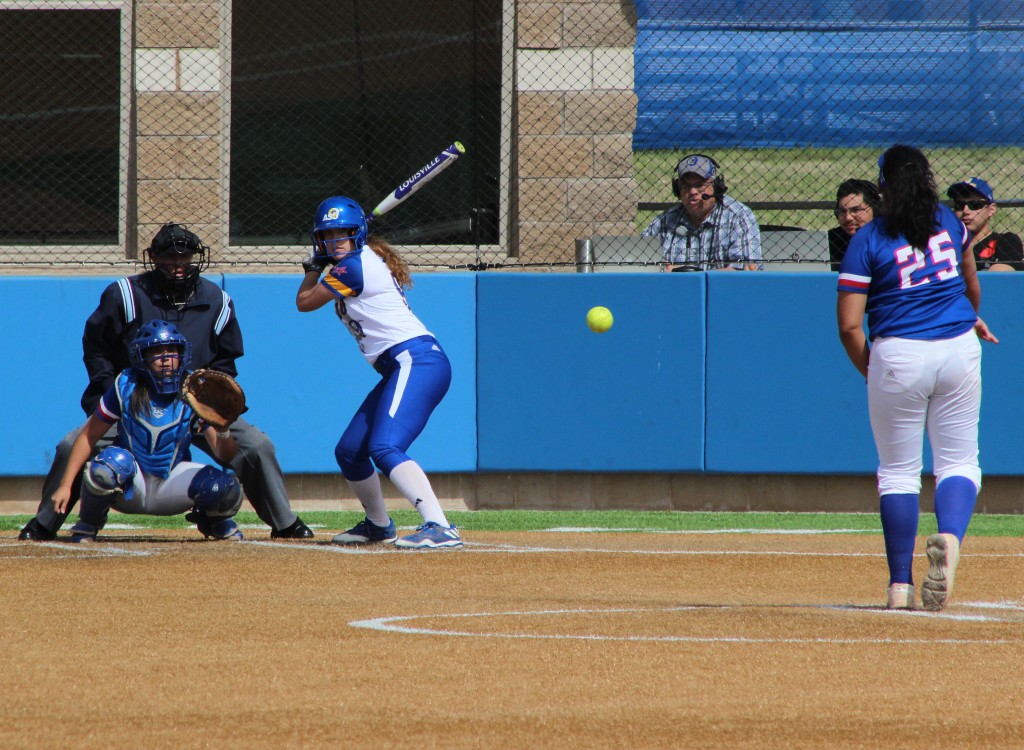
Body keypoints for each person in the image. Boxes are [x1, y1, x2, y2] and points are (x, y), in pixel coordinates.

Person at [19, 223, 313, 541]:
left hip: (192, 405)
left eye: (184, 258)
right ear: (154, 259)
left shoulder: (217, 300)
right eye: (169, 258)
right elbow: (96, 348)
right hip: (133, 401)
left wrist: (215, 402)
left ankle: (283, 522)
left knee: (257, 446)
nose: (178, 265)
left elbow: (226, 359)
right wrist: (110, 394)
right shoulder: (126, 294)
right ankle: (46, 521)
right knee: (71, 445)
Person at [836, 145, 998, 612]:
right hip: (959, 347)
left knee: (898, 473)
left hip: (899, 352)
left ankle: (899, 586)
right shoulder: (949, 220)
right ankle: (950, 537)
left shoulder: (868, 239)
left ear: (881, 188)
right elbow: (969, 284)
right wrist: (967, 319)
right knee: (960, 462)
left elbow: (849, 326)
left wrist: (873, 370)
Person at [295, 196, 462, 549]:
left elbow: (304, 302)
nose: (335, 241)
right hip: (399, 365)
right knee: (350, 451)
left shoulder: (353, 268)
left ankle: (440, 525)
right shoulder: (355, 261)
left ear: (358, 234)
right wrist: (322, 262)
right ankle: (378, 525)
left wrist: (312, 267)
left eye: (343, 233)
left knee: (385, 446)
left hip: (417, 360)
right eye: (328, 235)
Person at [53, 320, 244, 542]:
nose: (166, 358)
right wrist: (65, 486)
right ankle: (89, 522)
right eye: (157, 351)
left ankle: (213, 521)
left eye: (172, 350)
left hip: (172, 482)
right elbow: (89, 436)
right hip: (132, 483)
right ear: (141, 356)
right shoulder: (125, 385)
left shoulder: (195, 389)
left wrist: (223, 430)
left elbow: (225, 455)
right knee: (109, 464)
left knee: (224, 486)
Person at [641, 153, 761, 271]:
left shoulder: (738, 216)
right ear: (678, 190)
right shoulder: (664, 221)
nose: (693, 191)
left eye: (699, 185)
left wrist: (684, 275)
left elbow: (744, 272)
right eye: (686, 186)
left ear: (716, 186)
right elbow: (641, 262)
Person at [946, 177, 1023, 272]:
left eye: (974, 204)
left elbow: (1002, 273)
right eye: (959, 205)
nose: (965, 211)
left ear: (991, 209)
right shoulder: (947, 244)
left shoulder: (1005, 241)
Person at [828, 179, 881, 271]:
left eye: (856, 210)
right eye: (842, 211)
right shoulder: (830, 241)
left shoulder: (890, 238)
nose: (848, 217)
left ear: (875, 210)